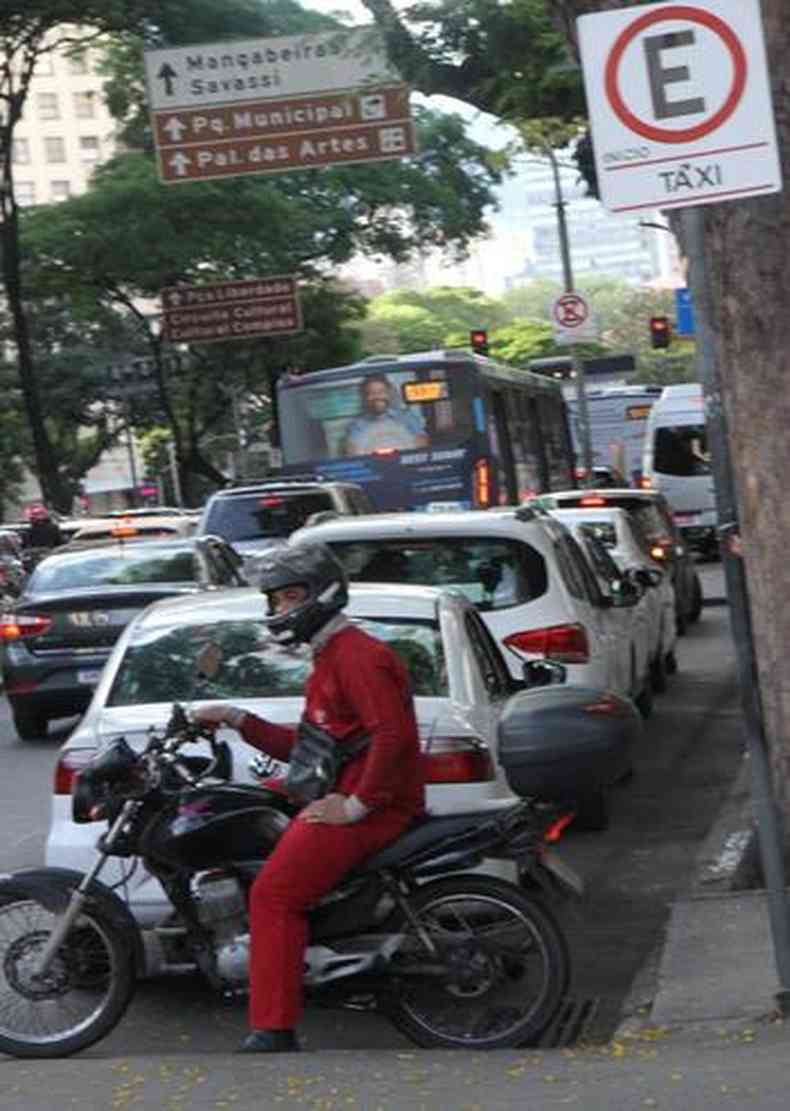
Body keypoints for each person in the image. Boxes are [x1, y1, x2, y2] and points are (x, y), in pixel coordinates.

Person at [192, 542, 425, 1054]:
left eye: (286, 598)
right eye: (273, 601)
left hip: (375, 806)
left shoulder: (359, 656)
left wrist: (355, 806)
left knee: (273, 896)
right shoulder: (330, 656)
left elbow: (393, 737)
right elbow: (307, 748)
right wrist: (235, 719)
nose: (278, 611)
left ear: (320, 595)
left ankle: (274, 1028)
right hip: (350, 792)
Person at [342, 374, 429, 456]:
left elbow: (422, 443)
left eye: (381, 392)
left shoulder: (406, 417)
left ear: (388, 394)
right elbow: (351, 451)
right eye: (371, 393)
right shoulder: (357, 425)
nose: (377, 396)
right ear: (365, 397)